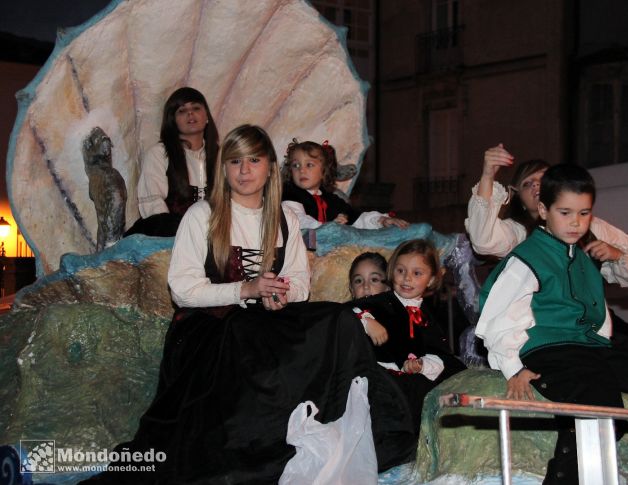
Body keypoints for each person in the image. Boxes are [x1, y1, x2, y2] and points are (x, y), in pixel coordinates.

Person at [82, 124, 415, 484]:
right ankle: (255, 448)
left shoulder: (285, 219)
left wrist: (279, 292)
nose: (244, 170)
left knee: (338, 319)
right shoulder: (202, 216)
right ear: (223, 168)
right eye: (236, 161)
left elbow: (301, 282)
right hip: (207, 329)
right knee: (247, 337)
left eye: (254, 160)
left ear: (270, 167)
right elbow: (182, 290)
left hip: (265, 319)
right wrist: (245, 289)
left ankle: (343, 429)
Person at [475, 164, 628, 484]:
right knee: (596, 400)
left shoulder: (584, 257)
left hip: (588, 346)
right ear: (543, 210)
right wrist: (513, 367)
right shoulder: (527, 257)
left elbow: (600, 311)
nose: (576, 222)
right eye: (566, 212)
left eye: (584, 214)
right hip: (548, 348)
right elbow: (499, 317)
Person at [464, 144, 628, 287]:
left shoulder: (587, 226)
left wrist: (616, 255)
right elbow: (483, 240)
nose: (537, 186)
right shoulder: (518, 232)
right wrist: (488, 174)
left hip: (585, 324)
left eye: (543, 180)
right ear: (518, 197)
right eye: (528, 183)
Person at [349, 239, 466, 431]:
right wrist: (366, 320)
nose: (407, 279)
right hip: (376, 378)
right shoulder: (381, 302)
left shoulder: (428, 316)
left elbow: (441, 352)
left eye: (417, 273)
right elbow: (343, 312)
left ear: (431, 279)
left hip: (408, 384)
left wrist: (422, 364)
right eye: (400, 271)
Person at [126, 87, 219, 237]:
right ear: (173, 120)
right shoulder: (160, 153)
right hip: (171, 236)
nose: (190, 113)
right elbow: (154, 208)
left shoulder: (222, 157)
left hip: (213, 236)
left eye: (196, 108)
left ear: (207, 116)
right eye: (182, 110)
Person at [282, 139, 409, 230]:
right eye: (296, 165)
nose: (301, 170)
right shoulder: (289, 193)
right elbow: (296, 219)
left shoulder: (331, 199)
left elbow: (357, 218)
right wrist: (326, 226)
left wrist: (382, 220)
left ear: (323, 171)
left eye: (309, 164)